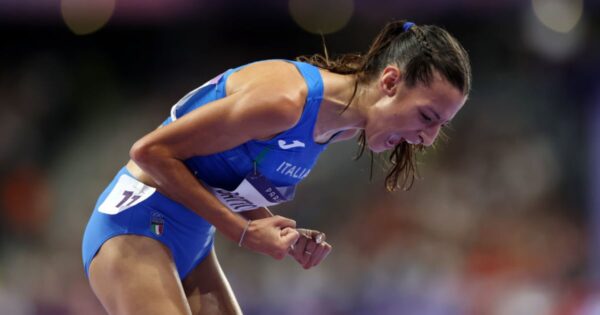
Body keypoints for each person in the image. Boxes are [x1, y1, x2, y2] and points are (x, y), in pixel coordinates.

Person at [81, 20, 471, 315]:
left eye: (440, 125)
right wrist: (243, 231)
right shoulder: (285, 101)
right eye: (426, 116)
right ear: (390, 81)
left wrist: (278, 229)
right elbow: (149, 152)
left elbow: (219, 173)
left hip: (193, 242)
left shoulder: (339, 127)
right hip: (136, 226)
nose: (429, 138)